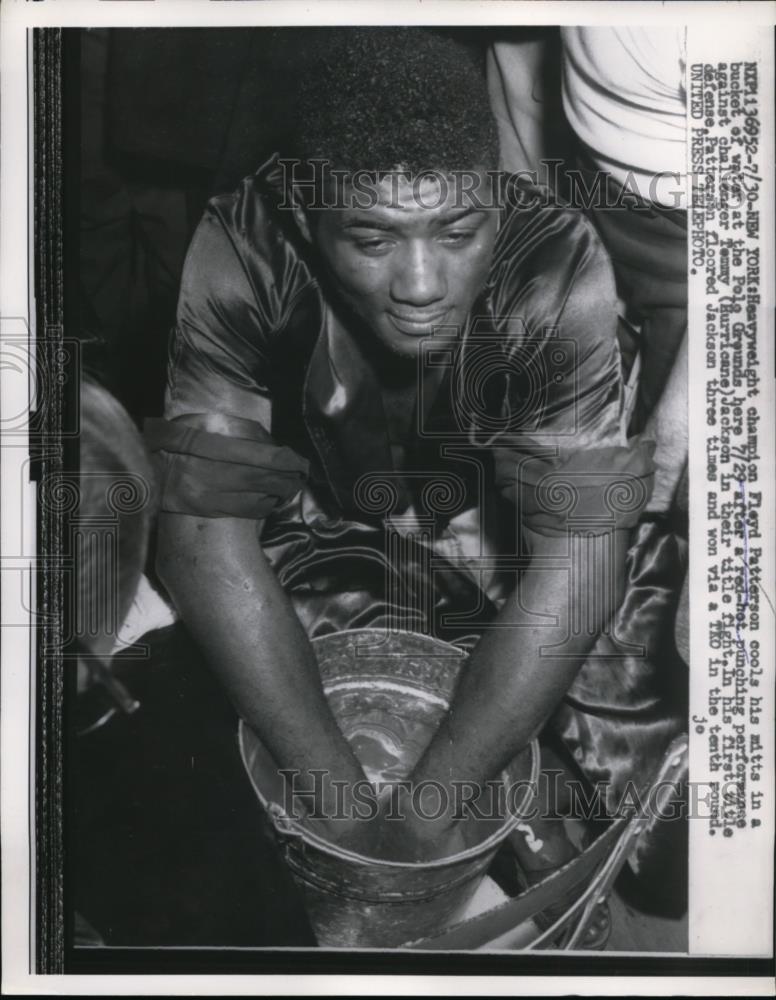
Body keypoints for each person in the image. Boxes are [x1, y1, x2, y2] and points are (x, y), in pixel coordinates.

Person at [150, 29, 666, 888]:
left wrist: (429, 817)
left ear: (500, 204)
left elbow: (578, 566)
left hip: (512, 507)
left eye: (458, 230)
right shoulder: (245, 237)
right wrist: (353, 820)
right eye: (373, 240)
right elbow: (204, 541)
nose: (421, 283)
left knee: (666, 862)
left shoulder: (554, 256)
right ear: (309, 223)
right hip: (338, 508)